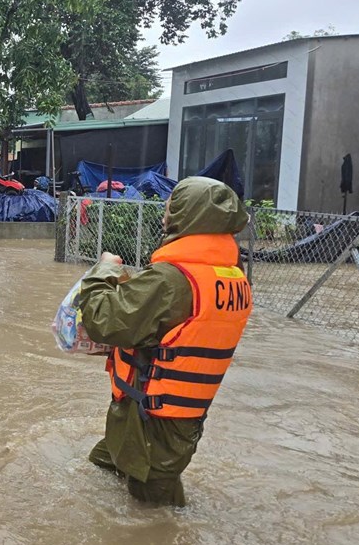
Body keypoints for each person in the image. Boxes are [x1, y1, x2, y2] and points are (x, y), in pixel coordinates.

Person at [75, 176, 253, 506]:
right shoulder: (230, 275)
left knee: (153, 515)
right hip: (168, 414)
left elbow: (105, 321)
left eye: (170, 210)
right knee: (103, 462)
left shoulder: (172, 280)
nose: (163, 217)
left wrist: (102, 271)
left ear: (190, 217)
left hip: (150, 421)